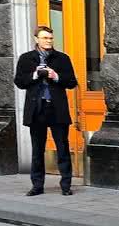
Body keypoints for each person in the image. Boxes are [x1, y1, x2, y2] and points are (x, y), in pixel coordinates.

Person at [14, 26, 78, 196]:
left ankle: (66, 185)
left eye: (50, 38)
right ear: (36, 39)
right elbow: (19, 82)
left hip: (57, 109)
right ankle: (37, 186)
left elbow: (72, 82)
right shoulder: (26, 58)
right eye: (44, 38)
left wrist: (56, 76)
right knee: (37, 150)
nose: (48, 41)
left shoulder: (62, 58)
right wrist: (35, 75)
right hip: (37, 109)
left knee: (62, 148)